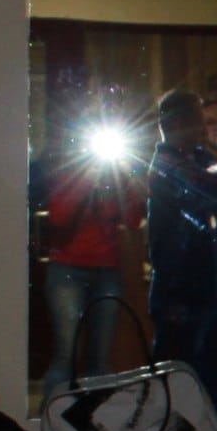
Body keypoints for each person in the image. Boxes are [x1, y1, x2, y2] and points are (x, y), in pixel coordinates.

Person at [145, 89, 217, 411]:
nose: (204, 129)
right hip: (178, 294)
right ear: (179, 123)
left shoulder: (194, 158)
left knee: (213, 385)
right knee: (177, 388)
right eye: (198, 120)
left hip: (207, 288)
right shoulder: (166, 165)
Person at [39, 109, 144, 396]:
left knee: (101, 359)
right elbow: (59, 217)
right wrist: (87, 178)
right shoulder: (69, 172)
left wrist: (125, 180)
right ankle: (52, 416)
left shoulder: (117, 177)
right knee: (67, 354)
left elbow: (132, 221)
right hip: (67, 270)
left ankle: (99, 418)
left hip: (107, 270)